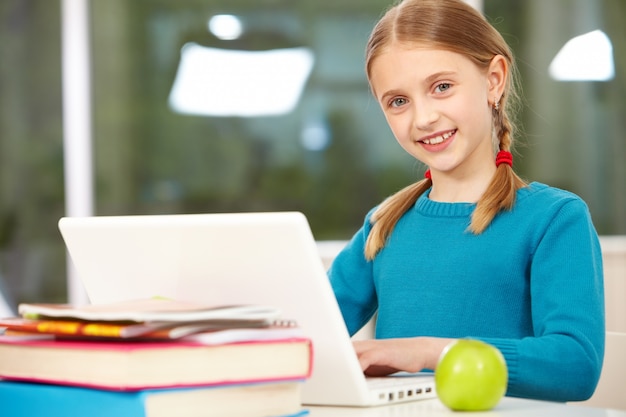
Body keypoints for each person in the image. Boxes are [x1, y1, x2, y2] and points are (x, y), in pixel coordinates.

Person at [327, 0, 605, 403]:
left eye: (441, 87)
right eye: (398, 101)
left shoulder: (554, 220)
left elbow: (575, 364)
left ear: (493, 80)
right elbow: (308, 337)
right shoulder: (383, 226)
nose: (423, 118)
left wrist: (427, 352)